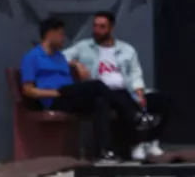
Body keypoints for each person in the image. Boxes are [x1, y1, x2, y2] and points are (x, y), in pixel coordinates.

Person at [20, 18, 140, 162]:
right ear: (50, 34)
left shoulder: (59, 57)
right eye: (60, 34)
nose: (63, 38)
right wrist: (56, 93)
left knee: (101, 102)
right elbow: (28, 90)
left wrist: (76, 64)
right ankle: (135, 114)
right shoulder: (32, 57)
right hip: (56, 99)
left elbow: (70, 63)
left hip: (70, 96)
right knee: (96, 85)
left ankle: (105, 152)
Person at [64, 11, 166, 160]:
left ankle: (148, 142)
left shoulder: (126, 49)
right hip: (99, 93)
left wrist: (139, 92)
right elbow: (60, 57)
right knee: (104, 101)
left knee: (163, 100)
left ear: (111, 28)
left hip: (125, 92)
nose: (97, 30)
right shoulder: (84, 47)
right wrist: (76, 63)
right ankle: (134, 127)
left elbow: (135, 73)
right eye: (95, 26)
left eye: (102, 27)